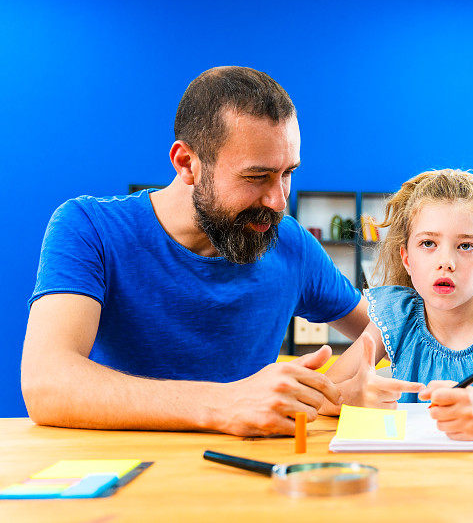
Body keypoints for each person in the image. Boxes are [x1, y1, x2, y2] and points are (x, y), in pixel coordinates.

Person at [21, 66, 370, 436]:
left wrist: (331, 390)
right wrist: (224, 404)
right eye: (256, 177)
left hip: (248, 478)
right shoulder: (90, 228)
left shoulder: (293, 244)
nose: (278, 201)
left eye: (287, 173)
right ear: (187, 163)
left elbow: (386, 327)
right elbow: (46, 382)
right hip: (121, 475)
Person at [322, 169, 473, 440]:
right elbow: (321, 394)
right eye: (428, 243)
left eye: (465, 246)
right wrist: (352, 396)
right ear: (407, 259)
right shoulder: (396, 316)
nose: (446, 262)